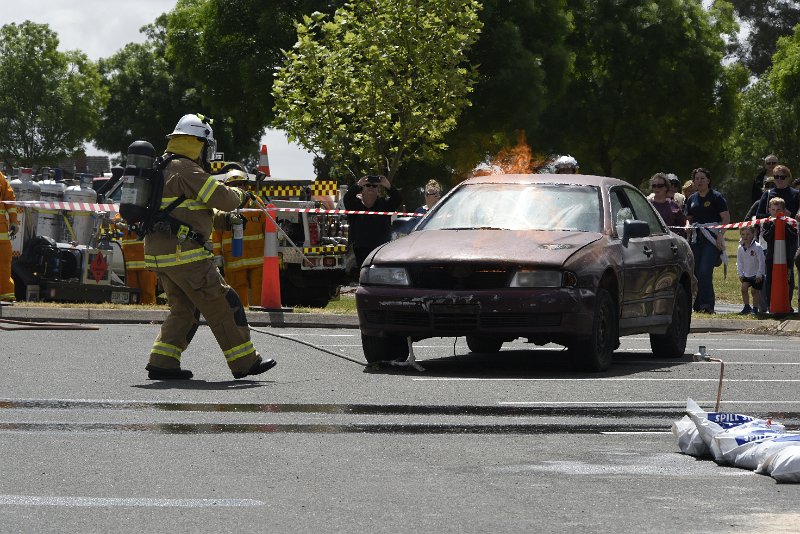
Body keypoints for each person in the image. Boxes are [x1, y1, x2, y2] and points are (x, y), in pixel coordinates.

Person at [143, 113, 275, 380]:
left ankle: (162, 362)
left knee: (184, 309)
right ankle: (245, 361)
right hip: (186, 255)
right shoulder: (186, 169)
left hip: (163, 254)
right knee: (224, 303)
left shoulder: (164, 167)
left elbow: (185, 212)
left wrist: (223, 220)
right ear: (199, 143)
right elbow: (222, 198)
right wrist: (241, 194)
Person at [210, 169, 265, 308]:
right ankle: (240, 316)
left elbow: (268, 227)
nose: (238, 187)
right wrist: (218, 257)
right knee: (236, 293)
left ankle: (258, 315)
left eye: (240, 184)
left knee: (258, 289)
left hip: (256, 259)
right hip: (233, 259)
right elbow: (216, 233)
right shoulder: (222, 207)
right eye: (234, 184)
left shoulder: (255, 202)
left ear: (246, 185)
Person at [685, 167, 730, 313]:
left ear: (708, 180)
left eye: (702, 178)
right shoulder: (692, 198)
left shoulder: (716, 197)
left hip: (711, 238)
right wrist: (687, 226)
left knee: (705, 271)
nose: (699, 181)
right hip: (696, 238)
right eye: (696, 178)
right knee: (696, 272)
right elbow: (689, 217)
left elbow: (725, 218)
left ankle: (707, 304)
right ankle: (697, 305)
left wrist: (720, 236)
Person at [344, 174, 402, 269]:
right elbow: (347, 198)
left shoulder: (385, 205)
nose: (371, 187)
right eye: (368, 185)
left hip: (380, 250)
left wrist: (388, 186)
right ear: (362, 190)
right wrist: (359, 184)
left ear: (378, 190)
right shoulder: (355, 206)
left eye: (374, 186)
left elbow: (398, 199)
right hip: (359, 251)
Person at [761, 196, 798, 313]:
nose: (775, 213)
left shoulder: (790, 222)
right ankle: (769, 304)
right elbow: (767, 237)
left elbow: (793, 237)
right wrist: (774, 225)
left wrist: (783, 225)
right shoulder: (767, 222)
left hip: (787, 257)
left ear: (783, 210)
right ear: (769, 210)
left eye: (778, 210)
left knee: (788, 280)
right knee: (769, 281)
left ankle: (788, 303)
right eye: (773, 210)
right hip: (771, 256)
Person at [736, 225, 765, 315]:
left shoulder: (757, 247)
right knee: (743, 289)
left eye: (748, 234)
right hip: (747, 274)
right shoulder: (740, 248)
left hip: (757, 275)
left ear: (753, 234)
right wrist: (741, 274)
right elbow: (739, 262)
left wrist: (759, 274)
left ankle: (755, 309)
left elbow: (761, 261)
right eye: (743, 234)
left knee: (754, 291)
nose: (745, 237)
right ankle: (747, 307)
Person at [647, 172, 686, 237]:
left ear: (666, 187)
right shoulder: (647, 205)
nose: (656, 188)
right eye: (654, 186)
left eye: (660, 186)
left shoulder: (674, 206)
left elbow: (681, 227)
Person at [0, 171, 19, 303]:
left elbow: (9, 199)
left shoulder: (0, 177)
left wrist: (13, 221)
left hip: (1, 231)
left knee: (4, 262)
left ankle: (6, 295)